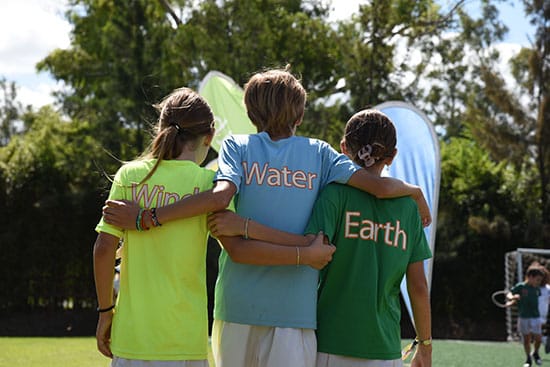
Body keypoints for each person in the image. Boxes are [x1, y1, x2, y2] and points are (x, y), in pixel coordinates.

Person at [102, 67, 432, 367]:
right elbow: (376, 187)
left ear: (250, 111)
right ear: (300, 115)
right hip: (295, 314)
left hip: (236, 308)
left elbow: (221, 199)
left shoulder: (236, 145)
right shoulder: (319, 153)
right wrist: (415, 192)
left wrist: (149, 216)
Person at [93, 86, 335, 367]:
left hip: (131, 340)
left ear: (160, 128)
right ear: (209, 138)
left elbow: (103, 249)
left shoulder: (130, 175)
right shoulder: (206, 182)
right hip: (184, 341)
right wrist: (302, 245)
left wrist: (105, 312)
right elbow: (239, 248)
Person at [303, 109, 432, 367]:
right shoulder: (409, 209)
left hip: (331, 343)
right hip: (386, 350)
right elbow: (418, 287)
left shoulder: (333, 194)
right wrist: (425, 345)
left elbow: (308, 256)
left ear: (344, 148)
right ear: (392, 155)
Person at [507, 264, 546, 367]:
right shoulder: (521, 286)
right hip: (524, 317)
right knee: (527, 339)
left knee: (538, 338)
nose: (539, 282)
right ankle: (528, 358)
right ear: (530, 277)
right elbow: (509, 294)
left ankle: (535, 353)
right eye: (537, 280)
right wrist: (512, 298)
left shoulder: (537, 289)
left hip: (535, 317)